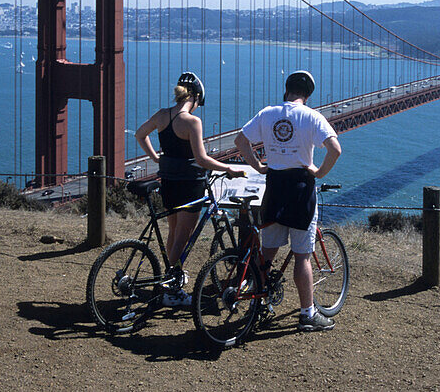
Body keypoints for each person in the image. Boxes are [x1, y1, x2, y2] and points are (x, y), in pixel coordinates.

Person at [235, 69, 342, 331]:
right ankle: (307, 314)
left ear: (287, 90)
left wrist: (259, 165)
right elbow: (335, 149)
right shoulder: (312, 116)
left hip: (274, 185)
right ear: (307, 95)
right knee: (302, 256)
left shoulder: (267, 113)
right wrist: (319, 172)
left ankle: (256, 304)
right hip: (300, 189)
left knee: (267, 252)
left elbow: (240, 140)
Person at [135, 71, 245, 308]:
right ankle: (168, 289)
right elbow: (202, 159)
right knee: (182, 238)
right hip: (189, 184)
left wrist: (156, 157)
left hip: (168, 182)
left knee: (174, 234)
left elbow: (140, 134)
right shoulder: (192, 122)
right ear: (195, 97)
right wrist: (228, 168)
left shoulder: (162, 115)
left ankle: (171, 276)